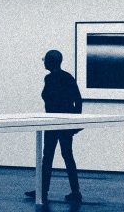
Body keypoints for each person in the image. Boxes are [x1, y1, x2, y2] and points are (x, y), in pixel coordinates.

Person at [25, 50, 83, 205]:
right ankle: (75, 191)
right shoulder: (68, 77)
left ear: (50, 62)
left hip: (52, 122)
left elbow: (49, 99)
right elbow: (78, 99)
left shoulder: (49, 78)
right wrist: (75, 121)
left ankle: (43, 191)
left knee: (48, 157)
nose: (43, 62)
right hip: (65, 123)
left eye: (45, 60)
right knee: (68, 155)